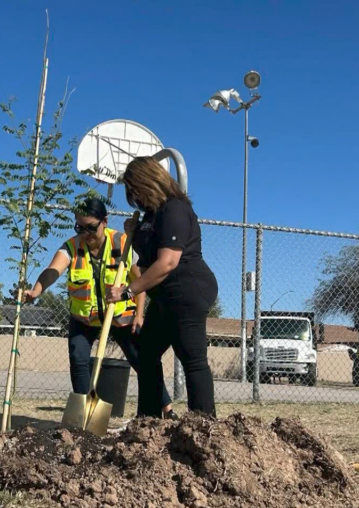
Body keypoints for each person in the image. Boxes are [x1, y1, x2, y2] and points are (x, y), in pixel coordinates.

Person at [23, 198, 175, 414]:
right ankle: (84, 413)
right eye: (80, 227)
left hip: (120, 316)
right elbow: (52, 271)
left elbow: (139, 280)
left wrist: (139, 313)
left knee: (142, 361)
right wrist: (37, 290)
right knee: (78, 358)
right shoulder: (72, 247)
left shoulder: (122, 243)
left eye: (91, 227)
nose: (86, 233)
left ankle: (166, 407)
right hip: (84, 319)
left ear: (104, 221)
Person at [106, 156, 218, 418]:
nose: (133, 197)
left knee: (192, 358)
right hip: (166, 295)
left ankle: (204, 427)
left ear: (149, 181)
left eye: (135, 190)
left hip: (188, 289)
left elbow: (167, 262)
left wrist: (127, 291)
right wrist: (133, 233)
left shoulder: (175, 209)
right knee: (146, 352)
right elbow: (148, 262)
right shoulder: (151, 214)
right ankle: (148, 420)